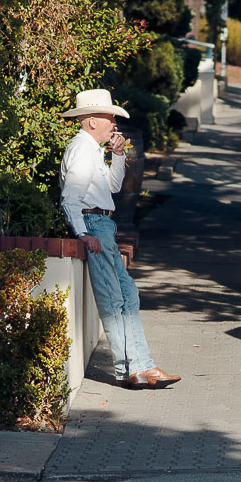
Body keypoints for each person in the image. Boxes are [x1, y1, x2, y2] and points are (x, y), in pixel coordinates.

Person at [60, 89, 181, 390]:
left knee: (128, 295)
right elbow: (70, 199)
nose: (114, 121)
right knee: (114, 299)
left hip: (103, 224)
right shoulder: (82, 149)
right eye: (108, 116)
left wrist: (117, 154)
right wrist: (83, 234)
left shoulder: (93, 149)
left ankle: (142, 365)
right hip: (93, 224)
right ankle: (129, 369)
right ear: (90, 122)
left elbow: (113, 187)